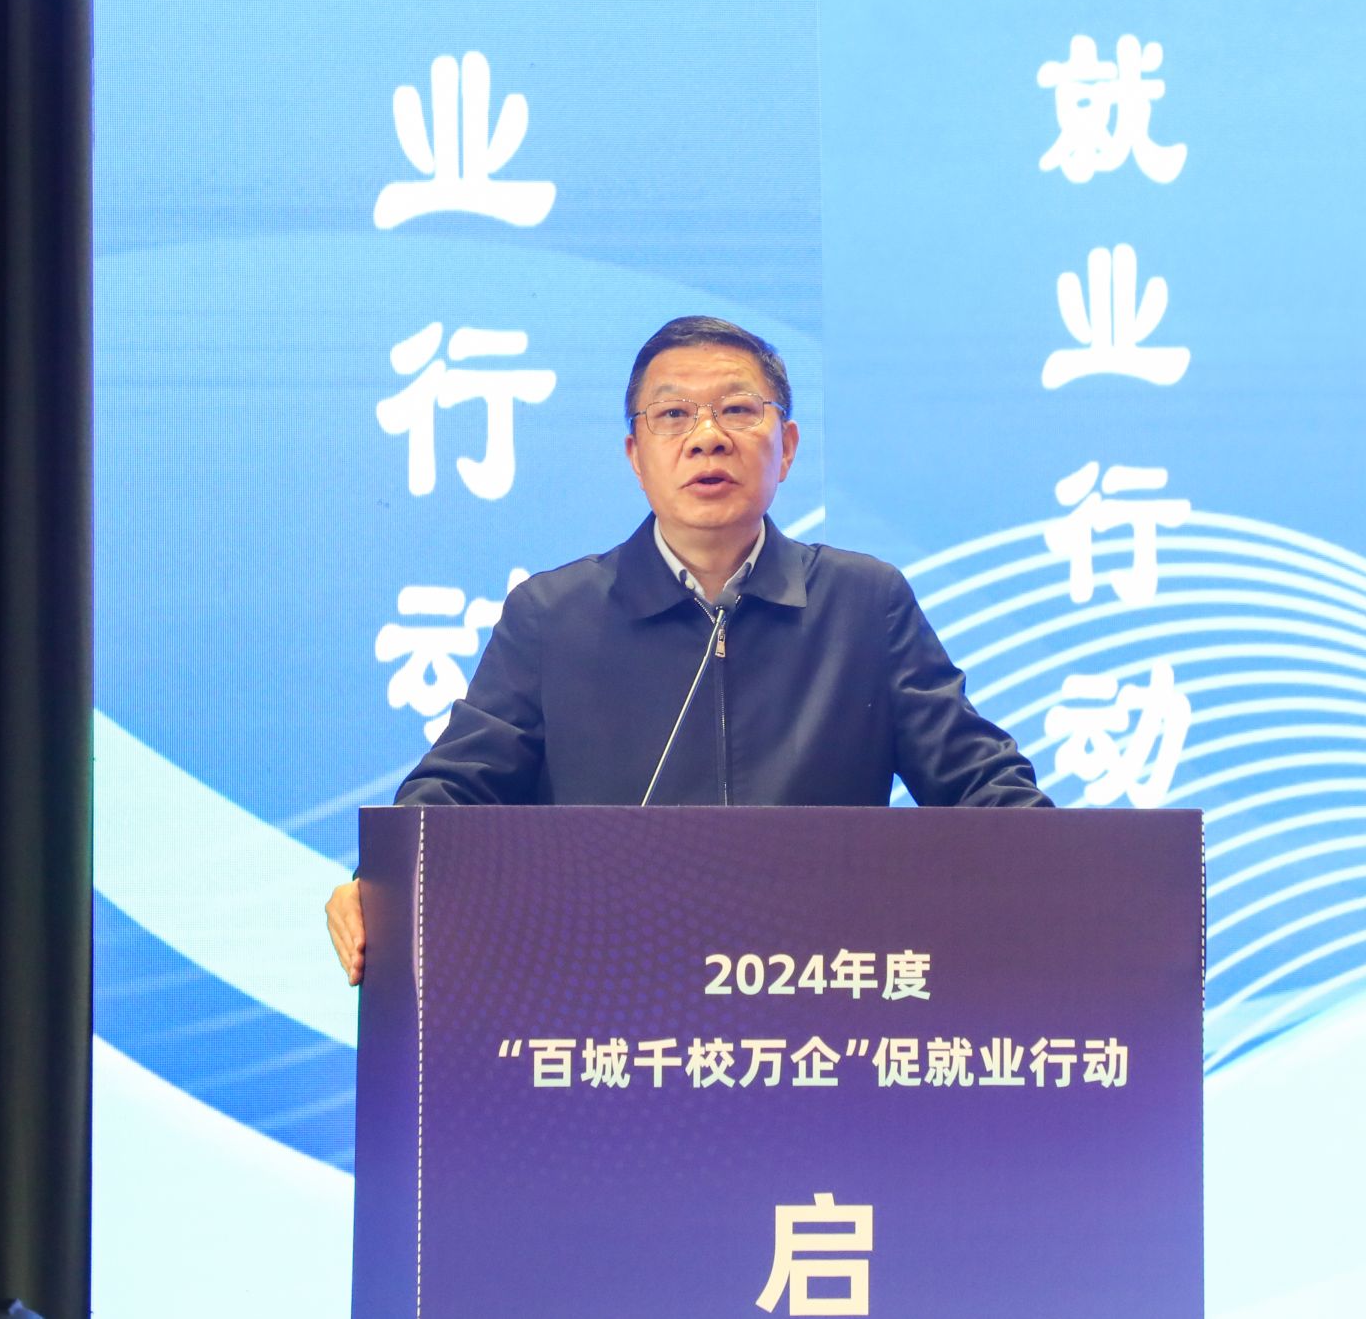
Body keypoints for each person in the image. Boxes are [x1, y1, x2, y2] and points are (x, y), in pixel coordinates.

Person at [326, 316, 1051, 982]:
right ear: (636, 456)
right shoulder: (554, 616)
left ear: (787, 448)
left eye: (738, 410)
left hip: (818, 991)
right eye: (673, 414)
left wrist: (1081, 880)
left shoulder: (864, 604)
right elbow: (453, 794)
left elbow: (981, 784)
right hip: (614, 994)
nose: (708, 437)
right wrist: (375, 884)